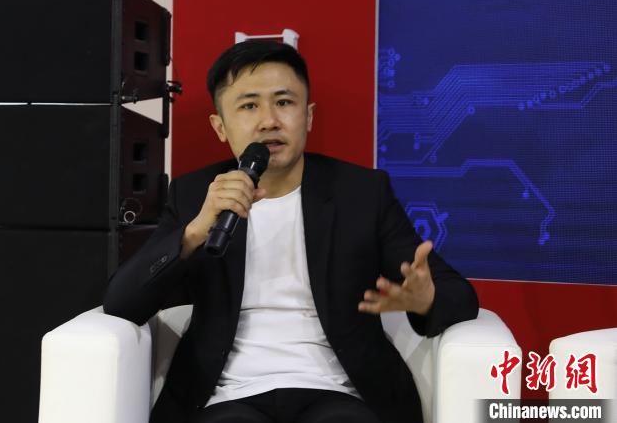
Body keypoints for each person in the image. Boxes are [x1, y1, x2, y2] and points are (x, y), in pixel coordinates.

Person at [103, 40, 479, 423]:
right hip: (224, 396)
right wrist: (194, 232)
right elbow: (121, 303)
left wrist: (426, 299)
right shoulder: (194, 194)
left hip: (341, 392)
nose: (269, 120)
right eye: (249, 106)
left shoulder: (361, 193)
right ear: (220, 127)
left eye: (284, 102)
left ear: (308, 116)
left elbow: (459, 296)